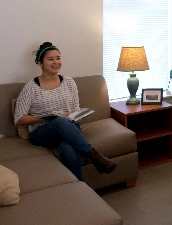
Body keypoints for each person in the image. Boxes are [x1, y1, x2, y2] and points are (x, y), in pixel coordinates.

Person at [14, 42, 117, 181]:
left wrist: (75, 114)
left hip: (69, 127)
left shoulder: (69, 82)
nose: (56, 62)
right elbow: (19, 119)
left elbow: (75, 109)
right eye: (50, 59)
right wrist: (46, 118)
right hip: (42, 133)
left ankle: (79, 189)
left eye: (58, 58)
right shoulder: (31, 88)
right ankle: (95, 157)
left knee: (67, 146)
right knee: (60, 121)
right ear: (40, 63)